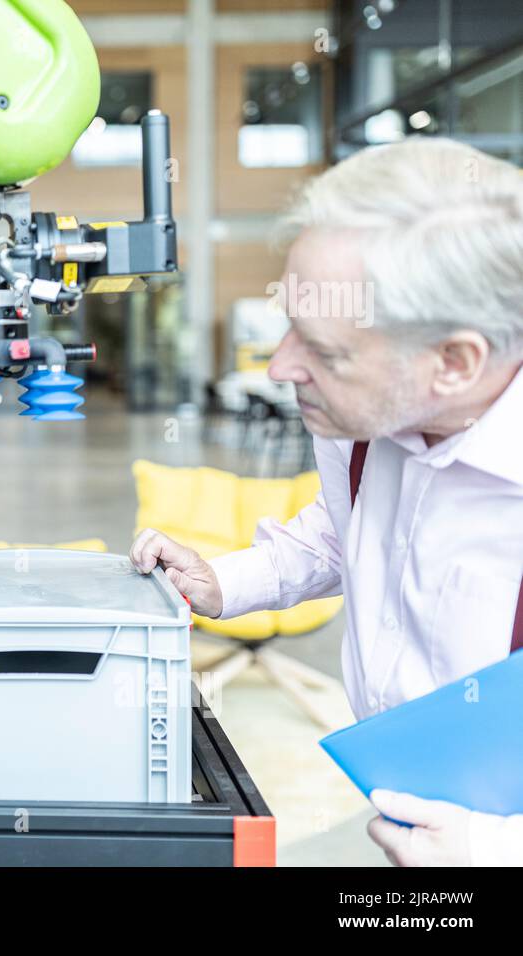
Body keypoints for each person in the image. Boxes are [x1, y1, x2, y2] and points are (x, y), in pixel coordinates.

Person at [128, 137, 523, 866]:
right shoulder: (360, 424)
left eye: (324, 349)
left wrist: (495, 852)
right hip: (403, 813)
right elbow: (346, 533)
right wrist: (226, 580)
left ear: (455, 362)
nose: (281, 367)